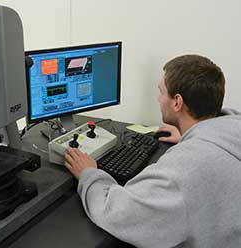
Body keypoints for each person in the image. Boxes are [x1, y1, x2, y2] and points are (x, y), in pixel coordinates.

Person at [64, 55, 241, 248]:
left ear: (177, 102)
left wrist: (88, 174)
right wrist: (188, 136)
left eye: (161, 92)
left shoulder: (183, 172)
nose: (158, 98)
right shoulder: (232, 130)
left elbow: (118, 213)